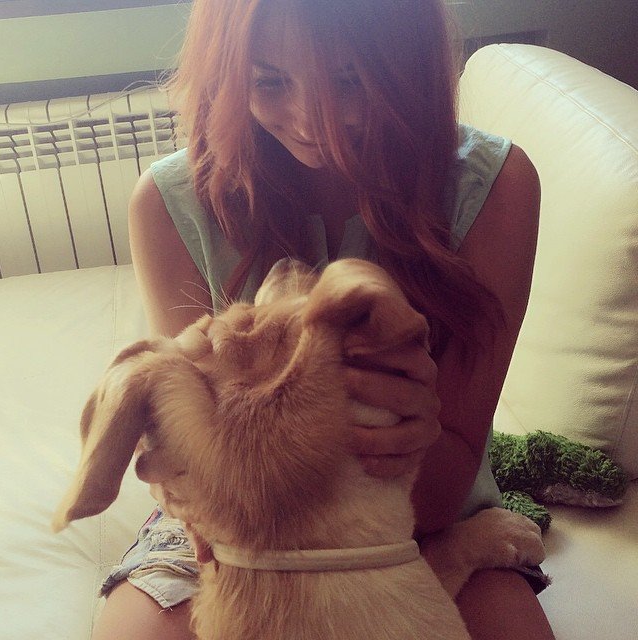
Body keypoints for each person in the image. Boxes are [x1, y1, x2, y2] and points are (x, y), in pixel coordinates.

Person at [92, 0, 554, 638]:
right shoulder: (170, 203)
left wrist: (416, 441)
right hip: (235, 523)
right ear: (226, 72)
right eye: (269, 81)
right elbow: (195, 478)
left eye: (349, 80)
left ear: (409, 63)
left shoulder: (496, 188)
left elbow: (441, 492)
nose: (315, 122)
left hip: (426, 517)